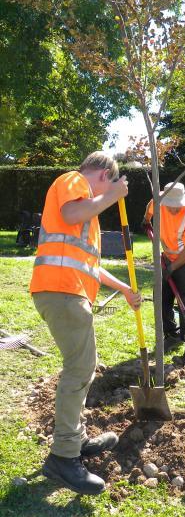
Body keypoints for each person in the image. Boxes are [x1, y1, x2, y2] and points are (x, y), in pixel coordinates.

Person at [30, 152, 142, 495]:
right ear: (104, 175)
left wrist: (123, 288)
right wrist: (112, 196)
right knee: (79, 369)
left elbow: (89, 266)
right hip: (61, 291)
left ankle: (75, 441)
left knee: (84, 366)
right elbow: (71, 211)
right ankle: (63, 457)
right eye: (108, 183)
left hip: (70, 291)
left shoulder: (88, 216)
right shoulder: (73, 181)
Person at [143, 182, 185, 361]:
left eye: (177, 206)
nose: (174, 210)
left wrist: (172, 269)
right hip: (167, 257)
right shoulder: (158, 202)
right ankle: (172, 336)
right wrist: (146, 219)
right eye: (170, 206)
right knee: (160, 299)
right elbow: (149, 208)